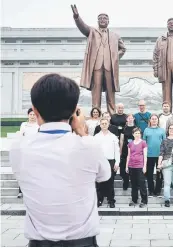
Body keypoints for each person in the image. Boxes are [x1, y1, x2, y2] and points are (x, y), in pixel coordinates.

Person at [10, 73, 111, 247]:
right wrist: (81, 132)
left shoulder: (19, 147)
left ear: (34, 110)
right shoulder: (89, 146)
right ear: (75, 111)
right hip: (83, 243)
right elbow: (104, 176)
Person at [71, 5, 126, 115]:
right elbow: (83, 27)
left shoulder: (115, 36)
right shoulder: (92, 32)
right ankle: (96, 113)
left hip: (109, 67)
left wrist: (114, 58)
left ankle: (112, 114)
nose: (102, 20)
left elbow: (123, 49)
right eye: (100, 18)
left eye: (104, 18)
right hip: (96, 66)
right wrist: (77, 17)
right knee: (96, 92)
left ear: (108, 21)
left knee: (111, 92)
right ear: (97, 21)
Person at [95, 118, 120, 208]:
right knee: (99, 182)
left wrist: (117, 162)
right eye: (102, 123)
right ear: (100, 125)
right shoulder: (96, 137)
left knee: (110, 182)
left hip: (111, 161)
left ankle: (111, 200)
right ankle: (99, 199)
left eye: (106, 123)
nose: (104, 125)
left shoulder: (113, 136)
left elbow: (117, 151)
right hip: (100, 161)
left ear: (108, 124)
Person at [18, 107, 39, 198]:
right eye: (31, 114)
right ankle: (21, 191)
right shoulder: (24, 125)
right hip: (25, 150)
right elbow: (21, 136)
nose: (32, 116)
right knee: (23, 171)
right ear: (28, 115)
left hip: (35, 151)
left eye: (34, 114)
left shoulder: (39, 125)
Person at [143, 114, 166, 197]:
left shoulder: (161, 130)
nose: (154, 120)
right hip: (149, 155)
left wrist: (164, 155)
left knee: (159, 174)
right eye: (152, 119)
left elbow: (165, 143)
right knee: (149, 174)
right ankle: (151, 190)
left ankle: (158, 190)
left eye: (155, 119)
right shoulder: (146, 130)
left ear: (158, 120)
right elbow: (144, 143)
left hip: (159, 156)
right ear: (150, 120)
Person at [126, 127, 148, 208]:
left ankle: (144, 201)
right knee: (133, 184)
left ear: (140, 134)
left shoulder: (143, 143)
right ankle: (134, 199)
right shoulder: (130, 143)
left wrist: (144, 166)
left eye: (139, 133)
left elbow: (145, 156)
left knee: (142, 184)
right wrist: (126, 166)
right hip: (131, 166)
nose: (137, 135)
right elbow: (128, 155)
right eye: (136, 133)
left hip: (140, 166)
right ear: (133, 134)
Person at [119, 114, 136, 190]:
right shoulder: (124, 128)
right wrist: (120, 150)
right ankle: (125, 182)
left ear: (134, 119)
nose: (130, 119)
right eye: (129, 118)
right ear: (126, 119)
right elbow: (121, 140)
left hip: (134, 150)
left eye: (131, 118)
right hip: (125, 150)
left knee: (133, 167)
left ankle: (134, 183)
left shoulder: (136, 128)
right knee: (123, 168)